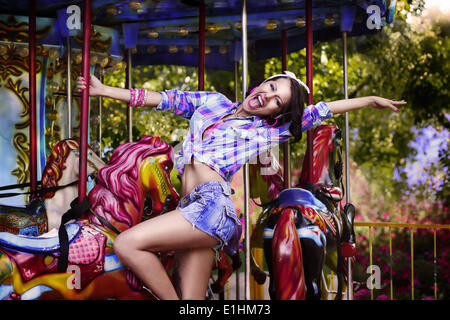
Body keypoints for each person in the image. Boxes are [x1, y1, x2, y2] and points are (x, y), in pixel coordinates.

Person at [77, 71, 406, 300]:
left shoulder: (266, 131)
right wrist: (105, 91)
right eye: (273, 86)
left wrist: (368, 100)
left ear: (277, 113)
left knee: (127, 244)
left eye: (278, 101)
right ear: (262, 82)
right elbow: (162, 98)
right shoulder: (212, 102)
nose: (269, 95)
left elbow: (320, 111)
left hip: (211, 208)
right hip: (188, 208)